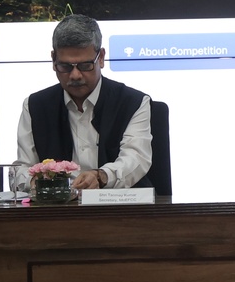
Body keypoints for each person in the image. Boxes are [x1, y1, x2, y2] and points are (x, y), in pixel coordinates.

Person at [16, 14, 153, 190]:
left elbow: (136, 158)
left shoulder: (133, 102)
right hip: (57, 211)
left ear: (101, 57)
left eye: (85, 65)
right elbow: (21, 170)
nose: (75, 75)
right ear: (53, 60)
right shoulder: (35, 106)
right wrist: (37, 182)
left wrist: (101, 176)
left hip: (120, 210)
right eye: (65, 67)